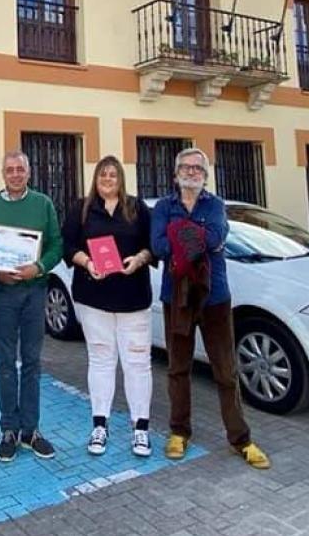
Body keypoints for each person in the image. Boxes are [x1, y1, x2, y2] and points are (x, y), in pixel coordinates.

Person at [150, 148, 270, 470]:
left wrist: (177, 236)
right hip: (175, 298)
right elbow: (158, 245)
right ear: (175, 174)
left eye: (197, 168)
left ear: (205, 174)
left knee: (226, 372)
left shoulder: (214, 205)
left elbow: (217, 237)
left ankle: (240, 439)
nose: (191, 172)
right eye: (185, 168)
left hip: (214, 297)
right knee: (178, 369)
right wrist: (192, 239)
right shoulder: (163, 207)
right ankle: (179, 433)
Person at [0, 150, 63, 462]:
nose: (15, 174)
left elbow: (57, 246)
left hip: (35, 292)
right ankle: (8, 430)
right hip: (3, 294)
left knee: (33, 362)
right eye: (9, 169)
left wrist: (38, 267)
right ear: (3, 173)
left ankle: (31, 431)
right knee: (5, 364)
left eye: (20, 169)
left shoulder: (43, 204)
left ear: (28, 173)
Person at [61, 155, 154, 457]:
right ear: (96, 178)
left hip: (133, 297)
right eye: (103, 174)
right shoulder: (82, 208)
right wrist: (86, 262)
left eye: (113, 174)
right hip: (94, 298)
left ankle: (140, 429)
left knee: (137, 363)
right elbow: (67, 245)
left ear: (121, 178)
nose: (108, 179)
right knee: (101, 360)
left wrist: (138, 259)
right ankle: (99, 425)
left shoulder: (137, 207)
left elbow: (154, 245)